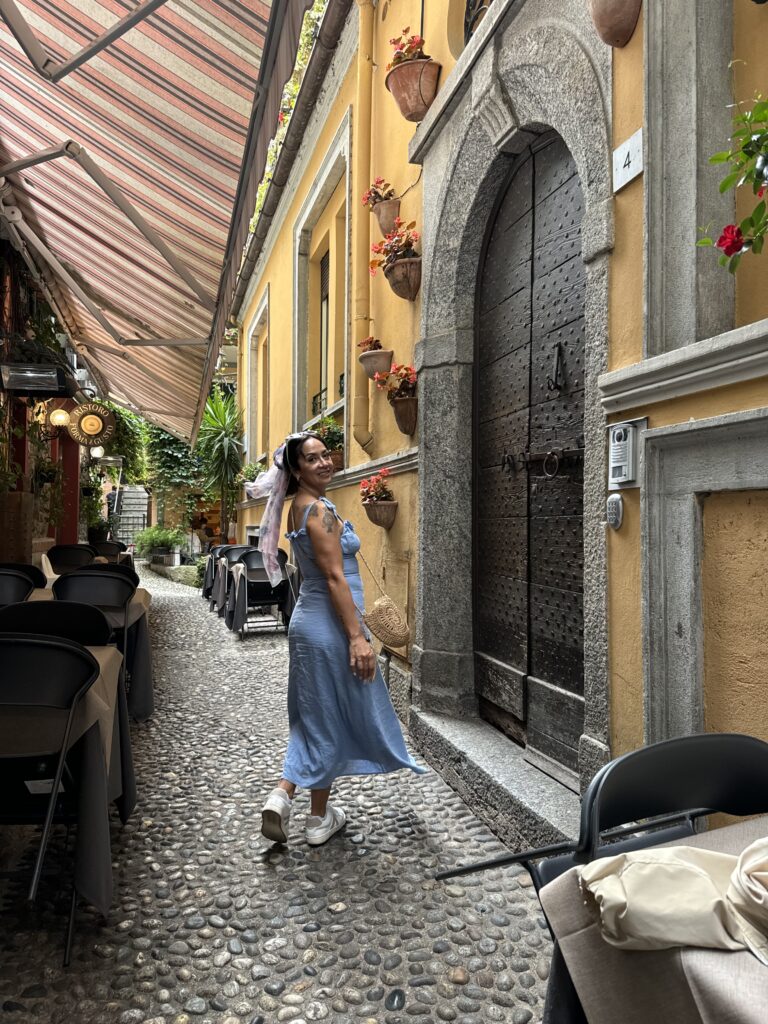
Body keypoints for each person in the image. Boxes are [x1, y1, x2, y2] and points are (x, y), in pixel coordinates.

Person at [246, 432, 426, 847]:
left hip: (314, 624)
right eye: (312, 459)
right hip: (328, 626)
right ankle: (306, 812)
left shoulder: (306, 506)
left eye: (326, 454)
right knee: (323, 716)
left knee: (317, 715)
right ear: (296, 470)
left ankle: (296, 802)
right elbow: (333, 577)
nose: (325, 462)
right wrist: (356, 639)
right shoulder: (316, 511)